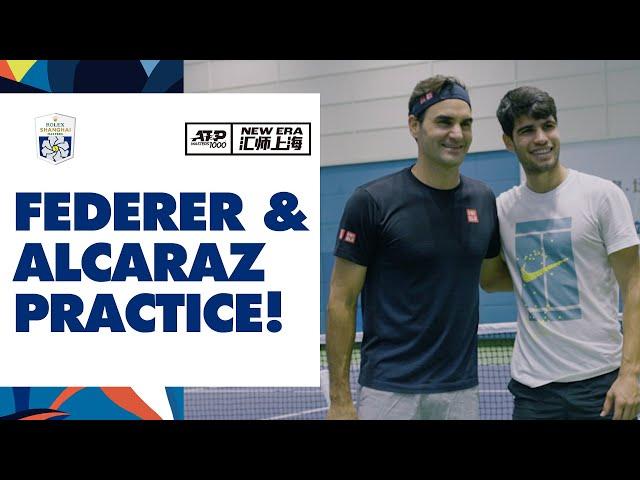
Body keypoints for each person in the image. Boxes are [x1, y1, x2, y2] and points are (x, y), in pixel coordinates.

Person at [325, 75, 501, 420]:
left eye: (466, 124)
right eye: (444, 122)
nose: (457, 134)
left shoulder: (483, 200)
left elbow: (494, 278)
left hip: (460, 390)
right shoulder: (372, 202)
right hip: (389, 391)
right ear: (414, 126)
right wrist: (340, 400)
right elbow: (340, 302)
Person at [480, 86, 640, 420]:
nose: (541, 138)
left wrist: (630, 374)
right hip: (533, 391)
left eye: (548, 126)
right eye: (527, 130)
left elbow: (634, 286)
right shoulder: (502, 210)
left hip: (602, 385)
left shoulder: (602, 196)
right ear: (508, 142)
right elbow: (492, 281)